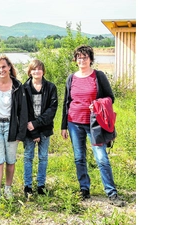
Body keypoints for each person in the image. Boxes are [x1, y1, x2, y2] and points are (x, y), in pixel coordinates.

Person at [60, 45, 125, 207]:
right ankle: (84, 189)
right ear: (75, 60)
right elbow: (66, 102)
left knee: (101, 158)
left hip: (95, 124)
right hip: (74, 123)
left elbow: (110, 97)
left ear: (90, 59)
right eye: (79, 57)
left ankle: (111, 193)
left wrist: (96, 104)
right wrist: (63, 126)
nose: (82, 60)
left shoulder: (98, 76)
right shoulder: (71, 78)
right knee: (79, 157)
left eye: (85, 57)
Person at [0, 55, 28, 207]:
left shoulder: (17, 86)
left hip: (11, 126)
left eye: (3, 67)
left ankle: (8, 188)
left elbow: (23, 111)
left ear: (9, 67)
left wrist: (21, 133)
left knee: (10, 160)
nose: (1, 70)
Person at [22, 59, 58, 198]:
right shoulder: (24, 88)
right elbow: (23, 111)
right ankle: (28, 186)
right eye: (33, 69)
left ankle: (41, 185)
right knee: (28, 157)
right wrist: (33, 130)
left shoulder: (51, 87)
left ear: (43, 71)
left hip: (45, 128)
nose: (36, 71)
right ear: (30, 72)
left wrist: (37, 125)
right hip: (28, 129)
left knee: (43, 157)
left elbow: (52, 110)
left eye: (39, 69)